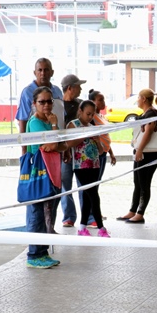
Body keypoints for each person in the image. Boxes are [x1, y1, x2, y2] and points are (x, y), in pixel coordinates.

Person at [24, 86, 68, 268]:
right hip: (39, 173)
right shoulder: (36, 122)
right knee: (37, 214)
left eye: (49, 101)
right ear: (34, 104)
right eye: (42, 102)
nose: (47, 105)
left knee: (48, 213)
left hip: (52, 171)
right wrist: (55, 126)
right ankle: (34, 255)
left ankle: (43, 252)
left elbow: (62, 145)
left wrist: (55, 143)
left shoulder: (49, 120)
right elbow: (53, 144)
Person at [118, 88, 157, 224]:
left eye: (138, 97)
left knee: (144, 183)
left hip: (148, 153)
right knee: (137, 182)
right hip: (143, 152)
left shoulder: (151, 113)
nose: (137, 100)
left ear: (143, 99)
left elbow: (148, 132)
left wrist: (140, 149)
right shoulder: (147, 113)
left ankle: (140, 213)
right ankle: (133, 210)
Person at [67, 100, 110, 238]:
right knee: (93, 196)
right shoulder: (73, 125)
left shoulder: (92, 126)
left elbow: (101, 151)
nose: (90, 117)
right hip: (81, 166)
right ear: (80, 111)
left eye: (92, 114)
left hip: (95, 164)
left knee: (88, 196)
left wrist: (97, 140)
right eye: (88, 114)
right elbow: (69, 144)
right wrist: (84, 135)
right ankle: (101, 227)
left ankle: (82, 227)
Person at [17, 58, 64, 154]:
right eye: (40, 70)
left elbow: (63, 116)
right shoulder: (27, 92)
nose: (43, 73)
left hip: (57, 145)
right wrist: (24, 151)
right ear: (35, 73)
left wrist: (64, 147)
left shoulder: (58, 91)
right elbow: (22, 120)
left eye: (46, 70)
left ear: (52, 72)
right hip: (40, 151)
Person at [59, 74, 87, 227]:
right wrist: (64, 148)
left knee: (85, 184)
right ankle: (68, 217)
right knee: (65, 185)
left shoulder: (81, 105)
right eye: (78, 86)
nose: (81, 89)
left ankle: (88, 217)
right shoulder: (58, 105)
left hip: (82, 152)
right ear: (69, 88)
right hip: (64, 151)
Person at [86, 89, 116, 227]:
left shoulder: (101, 116)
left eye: (103, 99)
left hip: (103, 153)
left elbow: (105, 136)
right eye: (100, 100)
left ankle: (95, 212)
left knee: (96, 185)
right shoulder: (91, 118)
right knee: (92, 186)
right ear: (92, 101)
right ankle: (91, 215)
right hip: (95, 154)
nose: (103, 102)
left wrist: (111, 153)